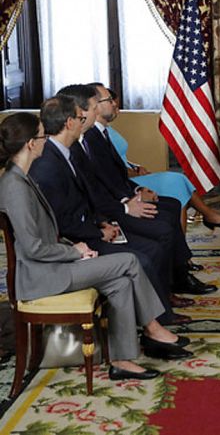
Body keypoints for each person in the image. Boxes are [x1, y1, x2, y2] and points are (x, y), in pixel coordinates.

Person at [0, 112, 192, 381]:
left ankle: (121, 360)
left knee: (121, 283)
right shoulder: (15, 186)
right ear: (31, 143)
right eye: (43, 135)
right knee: (129, 261)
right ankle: (152, 327)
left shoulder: (23, 177)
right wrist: (75, 251)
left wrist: (75, 247)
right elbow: (33, 248)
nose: (46, 140)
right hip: (42, 275)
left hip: (54, 263)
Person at [87, 83, 220, 232]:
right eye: (111, 102)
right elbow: (107, 168)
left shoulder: (106, 129)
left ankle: (198, 226)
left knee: (178, 183)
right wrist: (133, 173)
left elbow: (118, 156)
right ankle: (206, 217)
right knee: (177, 181)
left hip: (131, 173)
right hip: (125, 181)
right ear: (94, 105)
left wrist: (135, 166)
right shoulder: (93, 134)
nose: (116, 107)